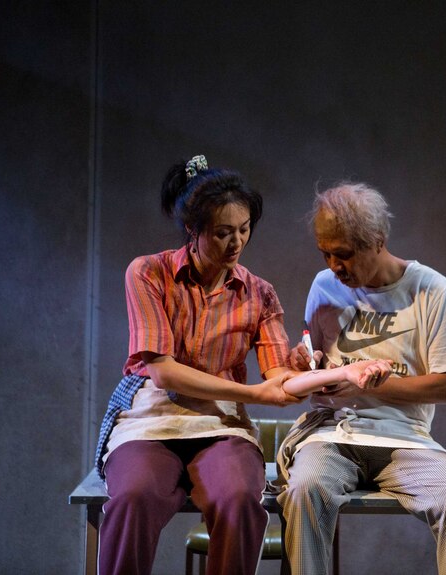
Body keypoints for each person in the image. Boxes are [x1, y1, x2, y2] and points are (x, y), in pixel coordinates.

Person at [92, 156, 389, 575]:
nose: (237, 243)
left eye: (244, 230)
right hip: (152, 416)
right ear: (193, 231)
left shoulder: (259, 294)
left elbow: (281, 380)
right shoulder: (149, 273)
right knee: (133, 496)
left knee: (237, 501)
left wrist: (337, 372)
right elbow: (163, 371)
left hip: (221, 425)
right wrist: (251, 394)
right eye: (223, 233)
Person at [278, 182, 446, 575]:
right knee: (305, 489)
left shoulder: (432, 290)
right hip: (333, 434)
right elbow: (314, 361)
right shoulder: (324, 287)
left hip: (404, 438)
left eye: (343, 254)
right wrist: (307, 364)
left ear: (377, 240)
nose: (333, 267)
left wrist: (364, 382)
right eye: (325, 254)